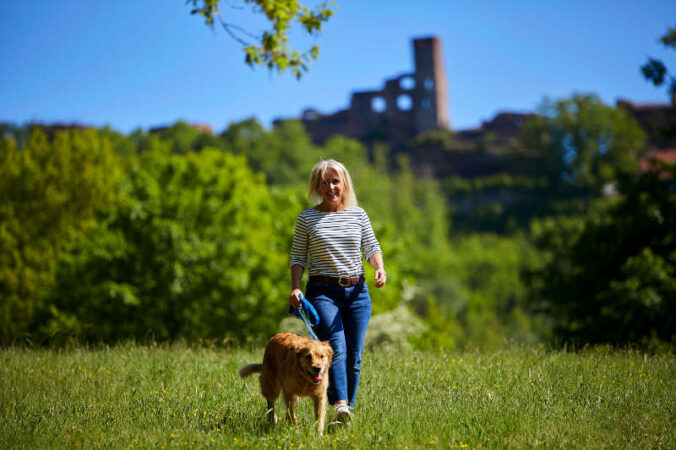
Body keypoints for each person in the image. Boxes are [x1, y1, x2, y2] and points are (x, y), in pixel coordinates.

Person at [289, 159, 386, 425]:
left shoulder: (358, 214)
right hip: (322, 292)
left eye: (335, 181)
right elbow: (298, 257)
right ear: (317, 186)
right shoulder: (307, 218)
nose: (331, 187)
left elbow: (371, 247)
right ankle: (340, 405)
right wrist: (296, 288)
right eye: (325, 182)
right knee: (337, 349)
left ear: (344, 184)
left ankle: (344, 411)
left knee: (354, 356)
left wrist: (380, 268)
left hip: (357, 292)